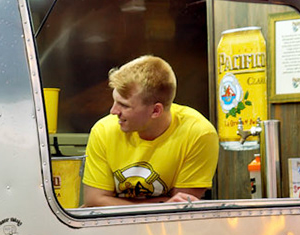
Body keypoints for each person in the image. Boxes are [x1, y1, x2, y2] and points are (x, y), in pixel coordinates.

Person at [81, 55, 219, 206]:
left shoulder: (199, 134)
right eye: (114, 101)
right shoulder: (103, 131)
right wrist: (160, 204)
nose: (113, 111)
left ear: (155, 111)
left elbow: (180, 207)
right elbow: (94, 200)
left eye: (124, 105)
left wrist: (115, 202)